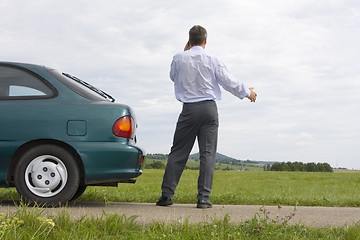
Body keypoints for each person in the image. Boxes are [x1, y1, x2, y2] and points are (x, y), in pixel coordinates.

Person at [156, 25, 257, 208]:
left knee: (178, 152)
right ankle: (203, 199)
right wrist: (246, 93)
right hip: (209, 109)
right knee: (208, 154)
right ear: (205, 40)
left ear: (189, 40)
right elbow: (229, 82)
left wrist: (184, 52)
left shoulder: (178, 58)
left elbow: (173, 77)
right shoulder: (213, 59)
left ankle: (166, 196)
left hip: (188, 110)